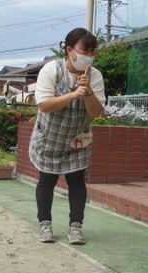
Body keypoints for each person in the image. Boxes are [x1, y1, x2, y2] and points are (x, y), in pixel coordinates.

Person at [29, 28, 105, 245]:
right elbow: (44, 105)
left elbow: (95, 112)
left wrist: (88, 91)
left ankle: (76, 227)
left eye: (92, 52)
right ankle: (45, 224)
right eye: (84, 50)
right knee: (47, 180)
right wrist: (73, 94)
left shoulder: (95, 76)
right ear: (70, 50)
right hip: (50, 137)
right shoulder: (51, 70)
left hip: (77, 138)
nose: (88, 56)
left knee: (76, 181)